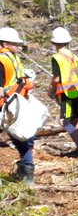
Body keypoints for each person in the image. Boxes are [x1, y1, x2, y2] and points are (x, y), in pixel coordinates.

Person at [0, 26, 36, 183]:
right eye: (14, 43)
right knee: (21, 140)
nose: (17, 46)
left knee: (20, 139)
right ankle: (27, 175)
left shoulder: (2, 60)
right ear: (5, 44)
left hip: (5, 104)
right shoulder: (14, 59)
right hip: (18, 103)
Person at [49, 27, 78, 154]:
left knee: (64, 121)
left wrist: (51, 91)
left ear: (53, 42)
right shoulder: (72, 55)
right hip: (76, 90)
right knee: (75, 120)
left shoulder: (57, 57)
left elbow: (56, 78)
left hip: (66, 92)